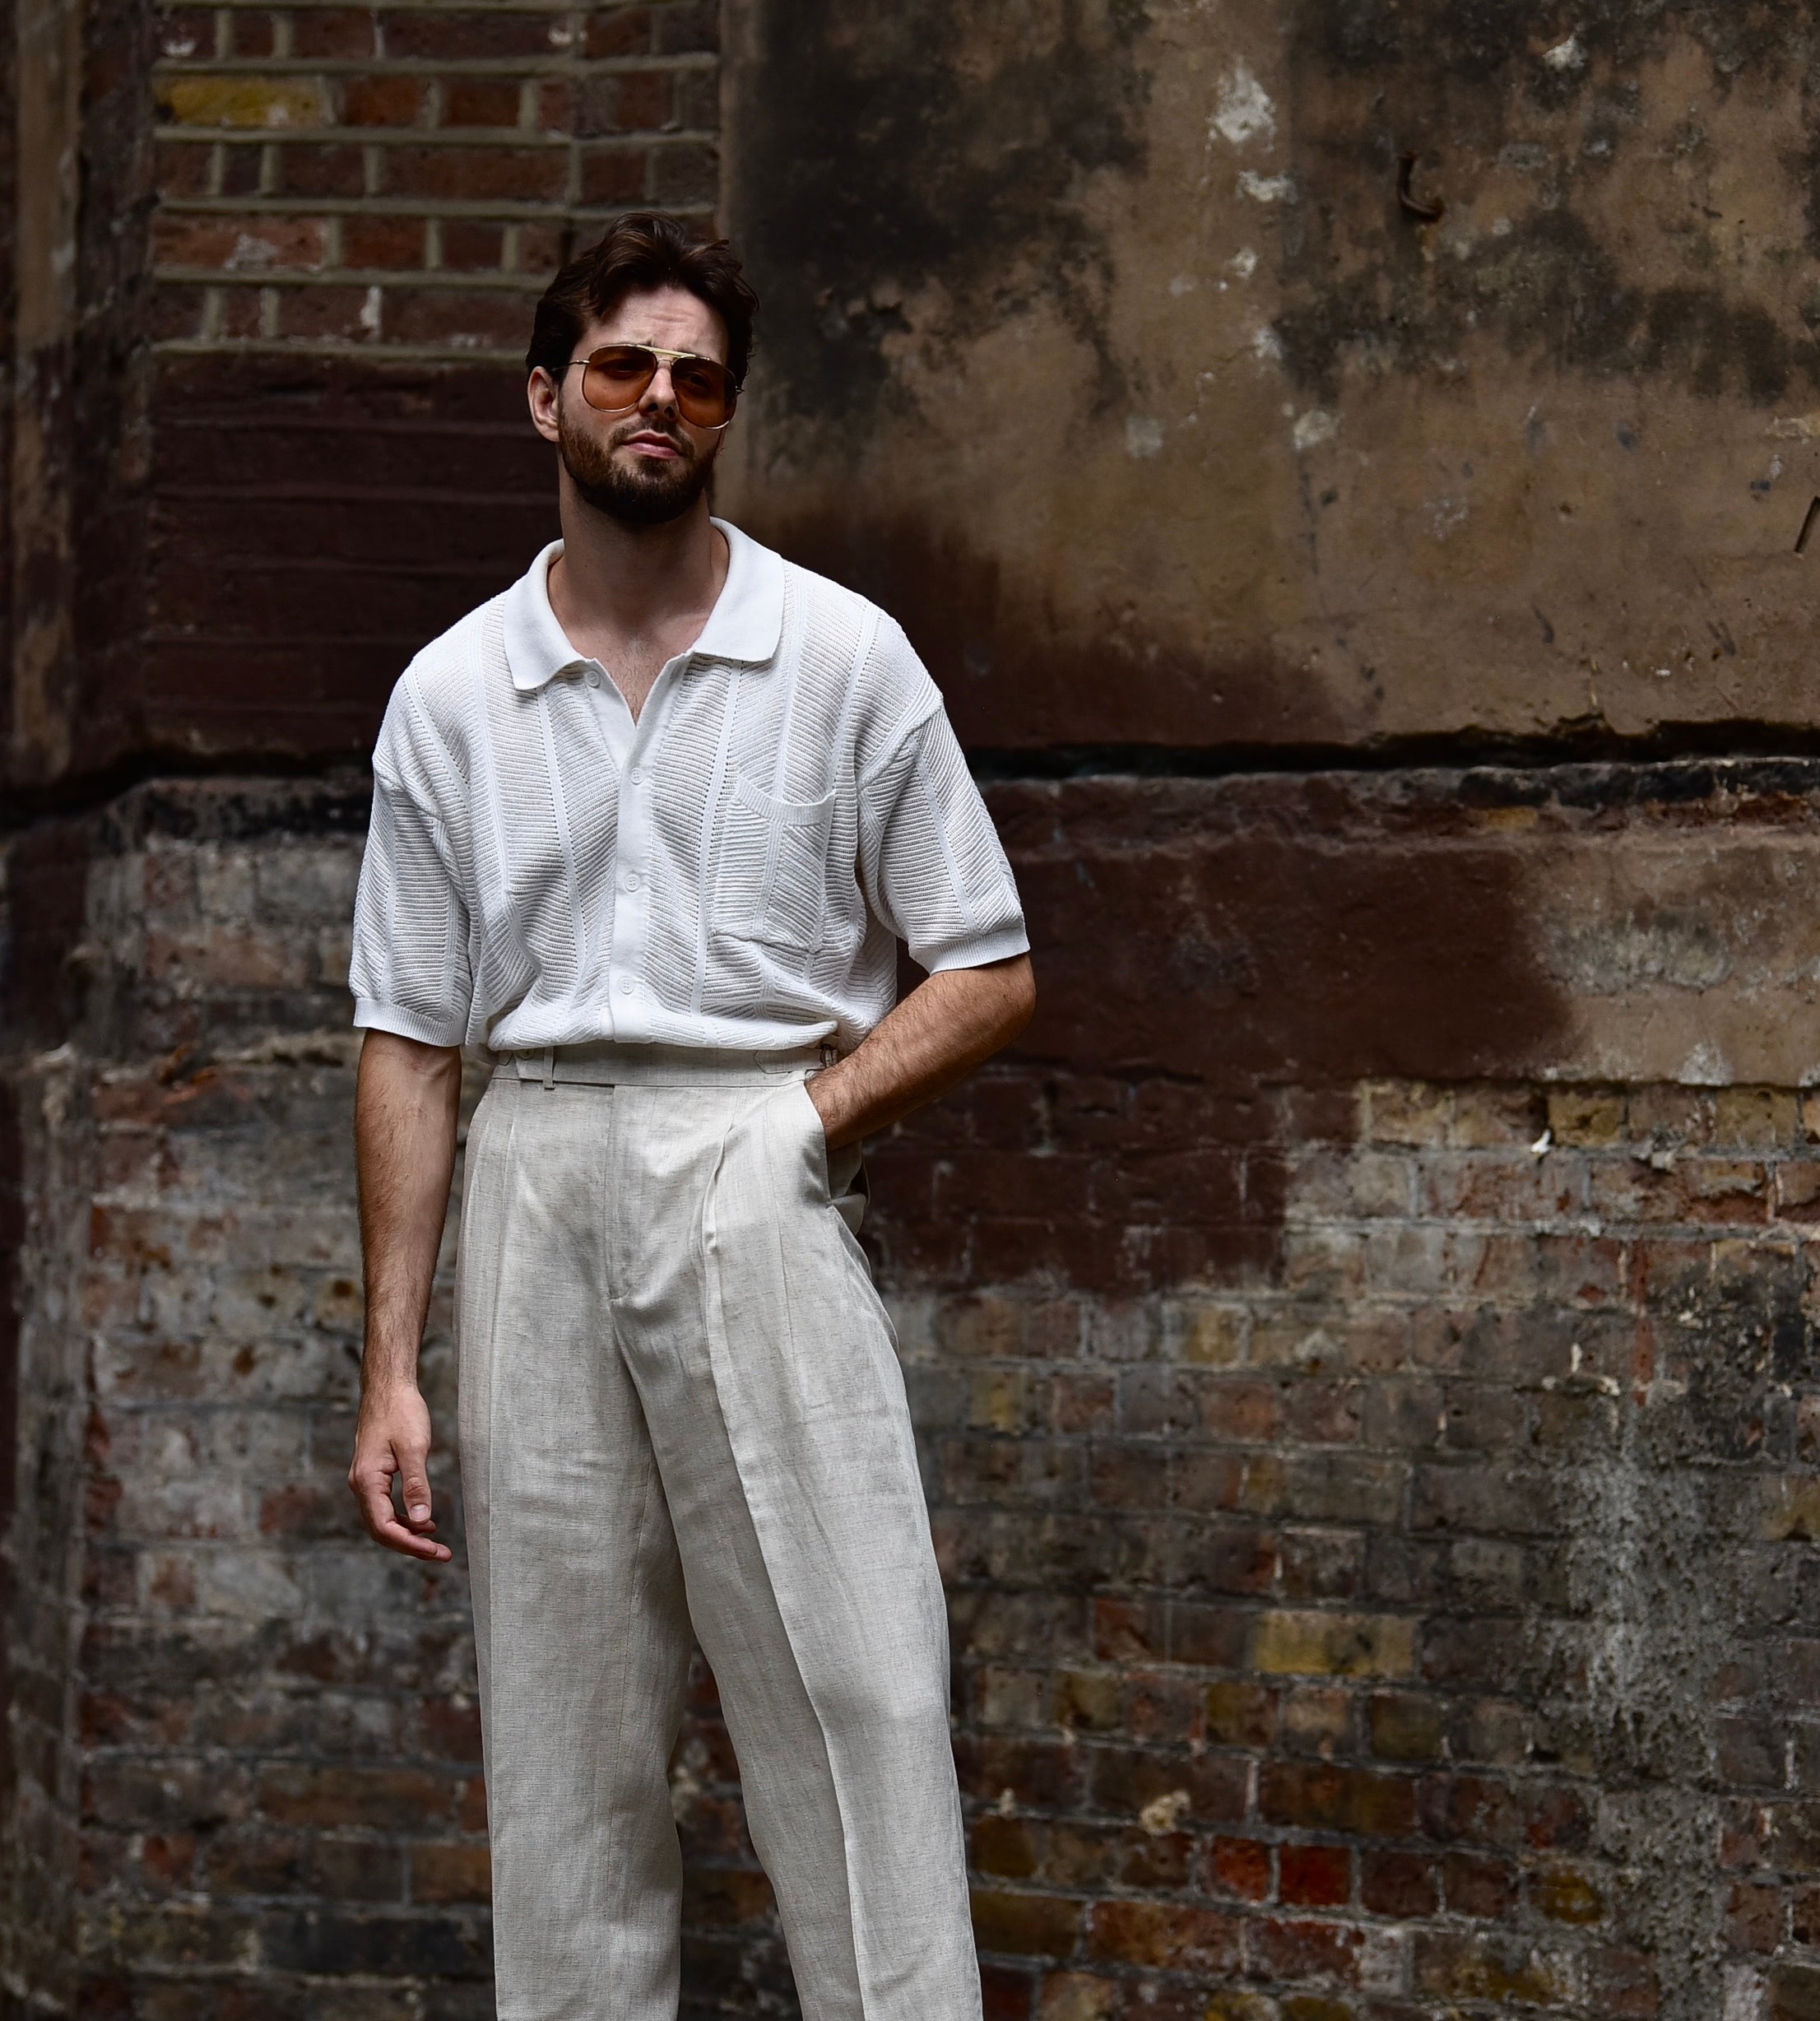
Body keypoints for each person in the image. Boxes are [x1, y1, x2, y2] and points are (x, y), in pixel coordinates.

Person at [344, 210, 1033, 2021]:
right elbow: (407, 1040)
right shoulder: (450, 694)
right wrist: (391, 1366)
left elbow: (986, 966)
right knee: (565, 1737)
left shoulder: (843, 654)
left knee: (862, 1693)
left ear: (725, 414)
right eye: (625, 366)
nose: (662, 399)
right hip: (536, 1170)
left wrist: (804, 1123)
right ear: (547, 397)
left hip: (756, 1159)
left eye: (699, 379)